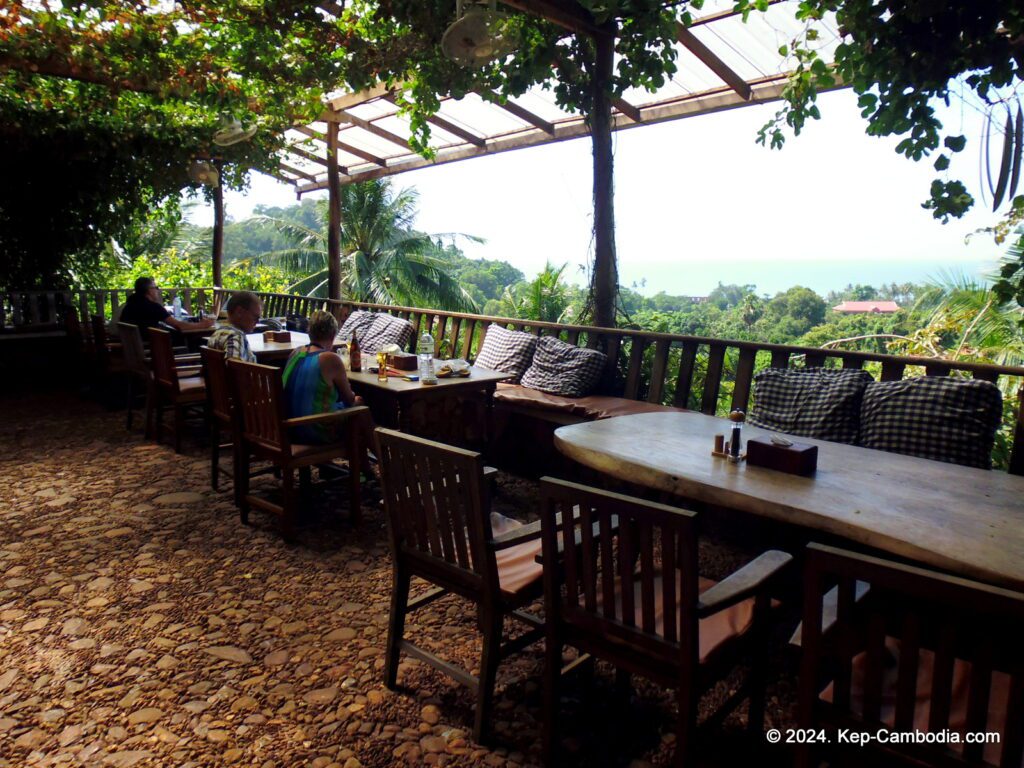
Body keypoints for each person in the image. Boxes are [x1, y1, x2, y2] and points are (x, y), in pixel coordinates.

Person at [282, 311, 376, 455]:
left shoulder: (295, 353)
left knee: (351, 410)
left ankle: (365, 469)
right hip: (313, 431)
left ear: (310, 332)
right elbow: (349, 399)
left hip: (289, 429)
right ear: (333, 335)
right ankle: (381, 461)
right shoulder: (329, 359)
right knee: (360, 407)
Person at [119, 277, 215, 334]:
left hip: (137, 350)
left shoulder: (129, 306)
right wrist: (203, 325)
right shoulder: (153, 307)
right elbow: (180, 326)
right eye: (156, 288)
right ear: (149, 290)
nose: (157, 290)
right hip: (155, 351)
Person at [207, 291, 262, 362]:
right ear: (239, 312)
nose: (258, 321)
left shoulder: (218, 333)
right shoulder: (236, 336)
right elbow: (234, 365)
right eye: (255, 317)